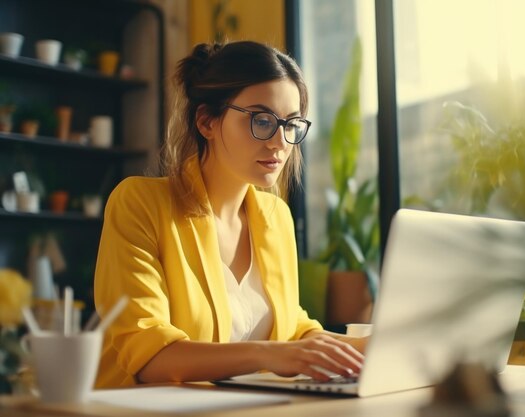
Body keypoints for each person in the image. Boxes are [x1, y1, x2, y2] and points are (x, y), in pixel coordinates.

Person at [93, 40, 367, 388]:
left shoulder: (275, 216)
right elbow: (150, 358)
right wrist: (267, 354)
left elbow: (290, 327)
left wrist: (364, 347)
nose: (280, 142)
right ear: (207, 121)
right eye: (262, 120)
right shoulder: (139, 203)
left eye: (291, 124)